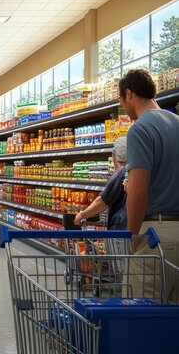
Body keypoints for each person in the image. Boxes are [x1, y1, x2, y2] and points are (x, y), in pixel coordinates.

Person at [119, 69, 179, 301]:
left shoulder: (140, 128)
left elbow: (138, 190)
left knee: (142, 319)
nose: (123, 107)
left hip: (156, 237)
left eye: (122, 101)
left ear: (129, 94)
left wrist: (132, 236)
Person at [74, 137, 128, 230]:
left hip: (121, 227)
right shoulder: (137, 169)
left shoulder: (121, 172)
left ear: (115, 156)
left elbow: (102, 202)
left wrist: (81, 215)